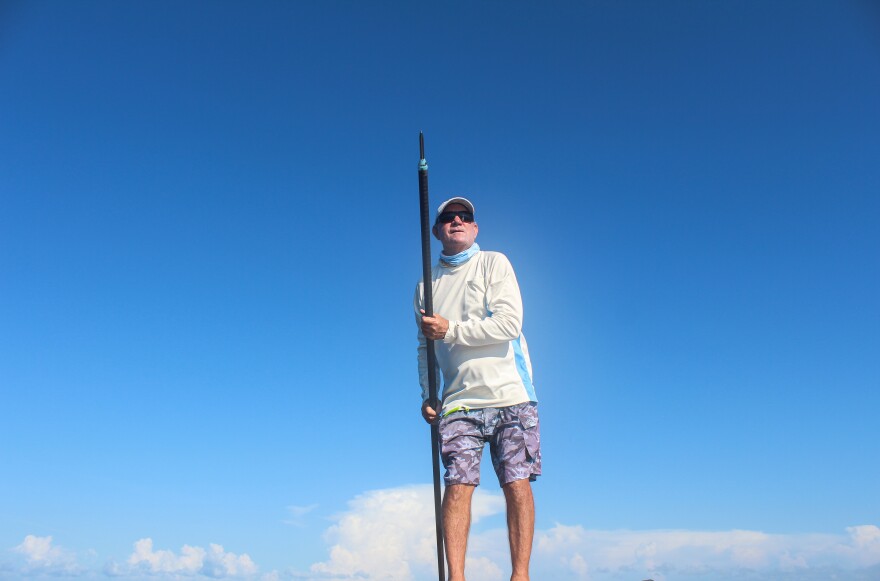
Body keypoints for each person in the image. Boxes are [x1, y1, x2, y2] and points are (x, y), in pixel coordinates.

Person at [414, 197, 541, 581]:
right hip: (457, 399)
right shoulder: (426, 285)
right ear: (437, 231)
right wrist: (428, 395)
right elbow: (424, 346)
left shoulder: (494, 263)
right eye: (448, 218)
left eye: (464, 217)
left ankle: (520, 575)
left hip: (510, 393)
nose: (457, 220)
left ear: (474, 228)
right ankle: (458, 578)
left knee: (516, 482)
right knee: (457, 484)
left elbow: (509, 325)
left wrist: (451, 329)